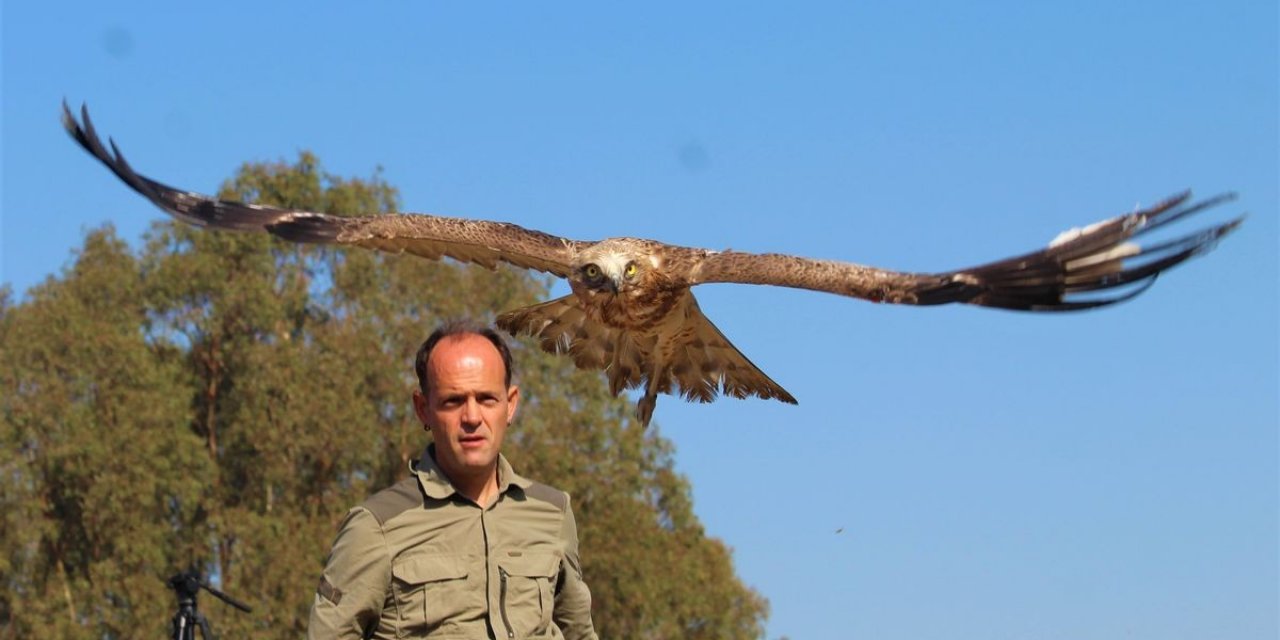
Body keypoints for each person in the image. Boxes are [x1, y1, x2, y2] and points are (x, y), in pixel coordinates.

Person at [308, 321, 598, 639]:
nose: (472, 418)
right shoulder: (375, 527)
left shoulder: (553, 513)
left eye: (487, 399)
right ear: (423, 409)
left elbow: (579, 632)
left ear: (510, 404)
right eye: (453, 401)